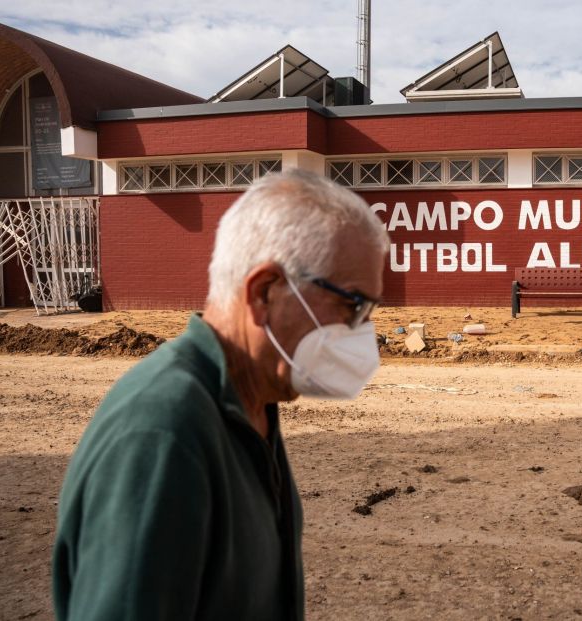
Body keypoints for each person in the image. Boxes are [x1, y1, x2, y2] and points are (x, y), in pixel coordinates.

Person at [52, 169, 389, 620]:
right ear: (265, 292)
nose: (361, 332)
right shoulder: (163, 434)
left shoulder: (254, 399)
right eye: (353, 305)